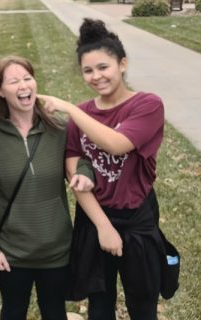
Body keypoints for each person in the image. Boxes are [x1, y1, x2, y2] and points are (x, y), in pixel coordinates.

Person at [39, 18, 169, 320]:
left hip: (137, 216)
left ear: (122, 64)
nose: (96, 76)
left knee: (143, 304)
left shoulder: (147, 105)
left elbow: (117, 144)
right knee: (99, 305)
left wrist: (70, 109)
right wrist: (103, 226)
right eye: (88, 70)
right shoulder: (83, 114)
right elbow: (73, 173)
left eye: (103, 67)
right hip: (94, 214)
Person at [0, 55, 86, 320]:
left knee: (54, 312)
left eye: (27, 78)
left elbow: (81, 159)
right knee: (13, 311)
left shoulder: (59, 127)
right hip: (12, 251)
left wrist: (85, 173)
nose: (23, 85)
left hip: (56, 248)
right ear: (0, 91)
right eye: (13, 81)